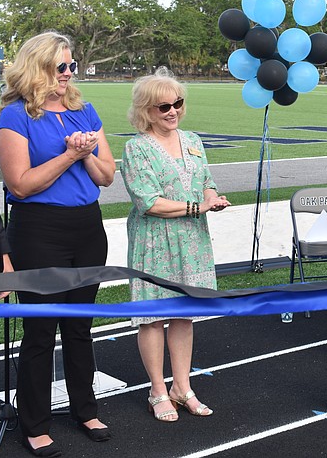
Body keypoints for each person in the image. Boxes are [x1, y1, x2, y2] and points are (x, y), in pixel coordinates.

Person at [0, 31, 116, 456]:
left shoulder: (85, 109)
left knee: (80, 324)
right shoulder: (15, 115)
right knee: (41, 330)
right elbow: (21, 186)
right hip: (38, 229)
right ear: (38, 66)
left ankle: (86, 409)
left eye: (71, 66)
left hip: (87, 227)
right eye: (59, 66)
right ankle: (34, 422)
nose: (67, 74)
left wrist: (85, 154)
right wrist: (68, 155)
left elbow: (106, 176)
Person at [121, 67, 231, 422]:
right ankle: (157, 389)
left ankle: (182, 387)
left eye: (177, 103)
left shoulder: (194, 141)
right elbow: (147, 202)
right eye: (162, 106)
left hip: (193, 240)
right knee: (153, 317)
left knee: (184, 315)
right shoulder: (136, 148)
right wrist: (198, 207)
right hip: (154, 241)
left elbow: (207, 182)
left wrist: (213, 199)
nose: (172, 111)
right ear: (145, 111)